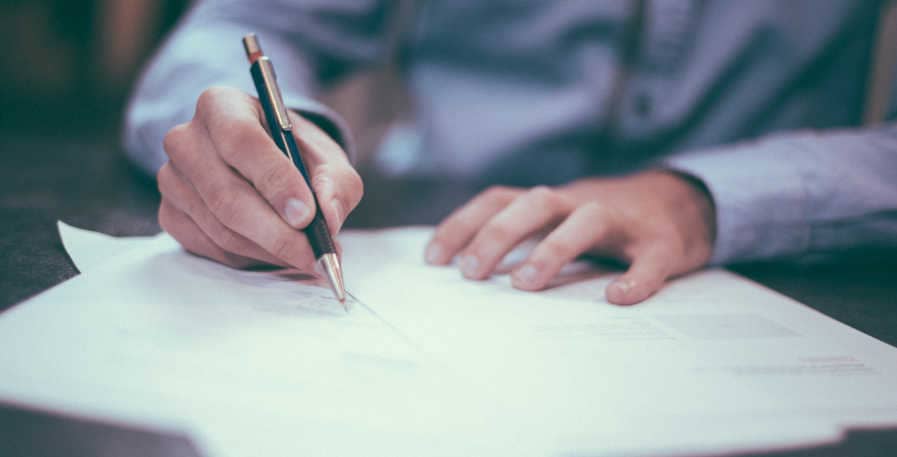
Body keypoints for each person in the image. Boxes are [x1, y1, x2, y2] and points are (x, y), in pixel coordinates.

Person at [124, 0, 897, 305]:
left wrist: (700, 195)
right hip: (435, 242)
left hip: (772, 272)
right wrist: (260, 136)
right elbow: (242, 25)